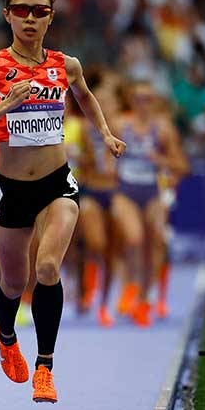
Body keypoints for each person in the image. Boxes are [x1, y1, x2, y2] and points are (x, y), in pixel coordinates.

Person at [0, 0, 125, 403]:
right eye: (21, 10)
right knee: (13, 284)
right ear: (7, 16)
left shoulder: (66, 64)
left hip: (57, 184)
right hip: (11, 188)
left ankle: (45, 368)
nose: (30, 18)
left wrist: (105, 134)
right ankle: (6, 332)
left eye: (39, 11)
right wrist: (6, 104)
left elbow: (86, 97)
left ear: (50, 18)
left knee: (48, 270)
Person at [111, 81, 189, 327]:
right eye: (137, 98)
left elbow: (183, 166)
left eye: (147, 99)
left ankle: (145, 300)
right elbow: (103, 157)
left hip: (153, 193)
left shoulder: (163, 129)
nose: (142, 104)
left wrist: (162, 160)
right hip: (126, 192)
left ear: (154, 102)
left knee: (154, 242)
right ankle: (130, 286)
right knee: (133, 238)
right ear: (130, 101)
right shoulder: (120, 125)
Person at [76, 72, 122, 327]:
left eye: (108, 101)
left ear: (116, 103)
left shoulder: (125, 126)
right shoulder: (85, 127)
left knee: (111, 250)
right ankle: (89, 289)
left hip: (116, 191)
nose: (103, 105)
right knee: (95, 242)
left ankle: (105, 303)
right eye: (98, 100)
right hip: (92, 189)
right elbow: (81, 160)